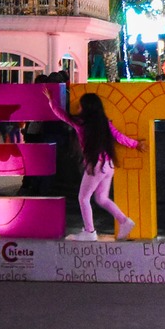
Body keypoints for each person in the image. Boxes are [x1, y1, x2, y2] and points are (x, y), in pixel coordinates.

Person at [66, 93, 140, 241]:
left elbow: (63, 116)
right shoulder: (104, 122)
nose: (78, 108)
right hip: (108, 164)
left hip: (96, 164)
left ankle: (90, 231)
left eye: (80, 106)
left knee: (83, 198)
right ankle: (124, 221)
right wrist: (136, 144)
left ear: (86, 108)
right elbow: (119, 136)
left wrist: (51, 102)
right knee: (101, 198)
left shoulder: (81, 124)